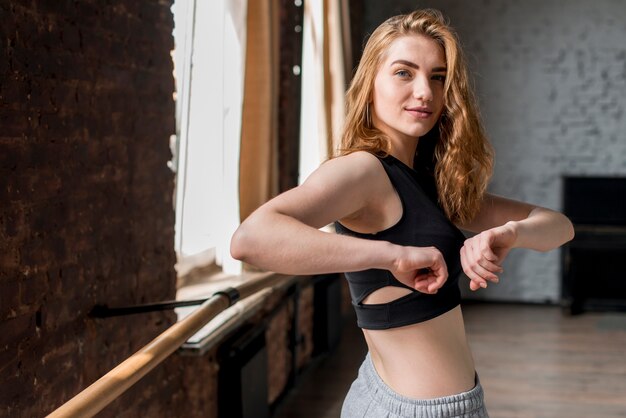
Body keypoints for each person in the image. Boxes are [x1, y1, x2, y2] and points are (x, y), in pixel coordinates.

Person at [230, 8, 574, 418]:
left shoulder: (430, 180)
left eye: (437, 77)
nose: (425, 91)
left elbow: (559, 227)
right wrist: (391, 256)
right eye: (404, 73)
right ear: (370, 83)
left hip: (439, 403)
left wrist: (509, 234)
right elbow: (250, 239)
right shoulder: (364, 169)